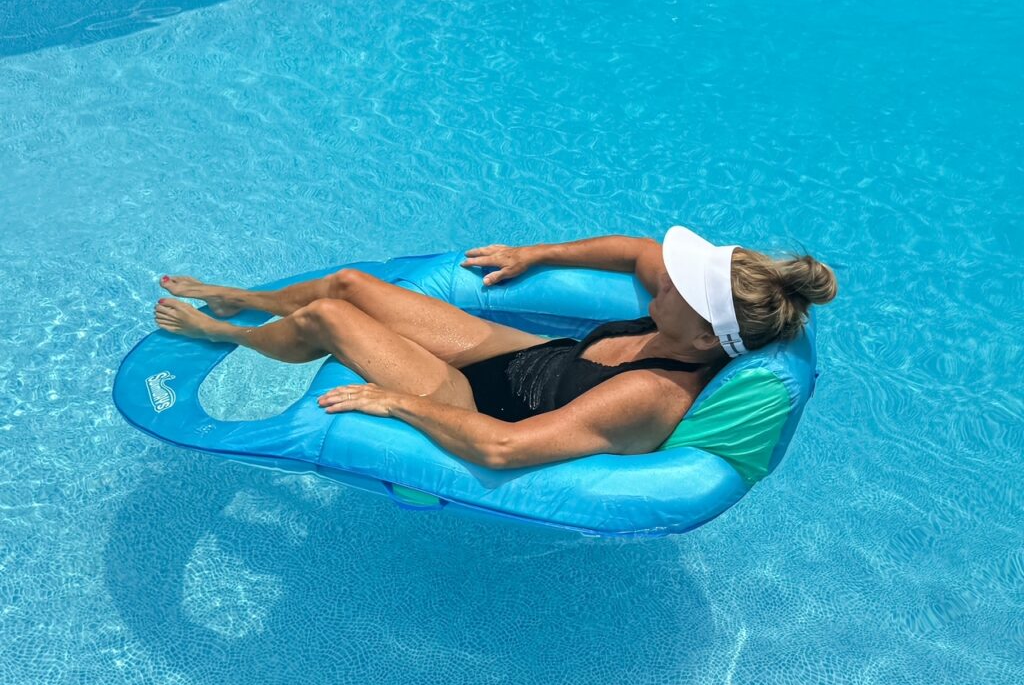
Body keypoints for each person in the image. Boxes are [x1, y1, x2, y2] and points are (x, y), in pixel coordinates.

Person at [153, 226, 837, 469]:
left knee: (331, 317)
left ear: (701, 334)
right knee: (350, 283)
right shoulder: (680, 320)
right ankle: (251, 298)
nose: (665, 286)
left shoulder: (652, 392)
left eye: (681, 290)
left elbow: (503, 449)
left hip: (476, 408)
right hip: (520, 357)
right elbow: (637, 252)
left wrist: (397, 402)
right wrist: (534, 253)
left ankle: (224, 330)